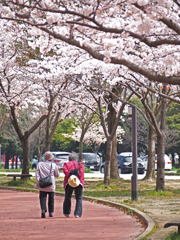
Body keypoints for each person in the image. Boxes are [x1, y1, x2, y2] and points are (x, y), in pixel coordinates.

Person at [35, 151, 60, 218]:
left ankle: (43, 210)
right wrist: (57, 169)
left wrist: (38, 182)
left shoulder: (39, 164)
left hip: (42, 184)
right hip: (51, 184)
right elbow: (57, 175)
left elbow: (37, 175)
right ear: (51, 159)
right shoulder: (53, 165)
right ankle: (51, 212)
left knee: (42, 198)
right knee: (51, 199)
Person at [63, 152, 84, 218]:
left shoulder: (66, 164)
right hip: (78, 182)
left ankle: (67, 213)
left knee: (67, 197)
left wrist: (70, 174)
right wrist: (76, 175)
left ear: (69, 158)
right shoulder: (80, 164)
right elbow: (81, 172)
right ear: (76, 158)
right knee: (79, 198)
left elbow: (66, 172)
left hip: (69, 182)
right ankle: (77, 213)